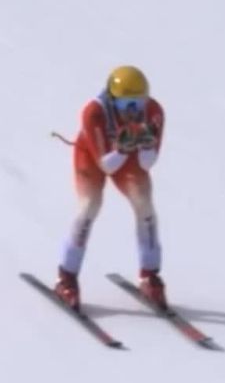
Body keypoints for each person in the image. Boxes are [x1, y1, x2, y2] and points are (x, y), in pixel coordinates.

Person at [54, 65, 167, 310]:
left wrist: (145, 145)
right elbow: (106, 164)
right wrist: (124, 148)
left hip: (128, 156)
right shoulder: (95, 112)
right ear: (113, 99)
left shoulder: (154, 112)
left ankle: (150, 275)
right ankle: (67, 277)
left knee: (145, 206)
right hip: (94, 156)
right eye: (127, 104)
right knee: (89, 206)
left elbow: (147, 163)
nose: (133, 110)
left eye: (139, 102)